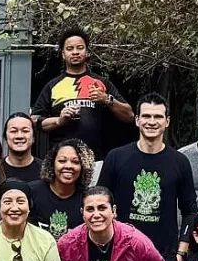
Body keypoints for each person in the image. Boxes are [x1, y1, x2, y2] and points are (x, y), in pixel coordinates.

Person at [99, 93, 197, 261]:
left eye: (158, 116)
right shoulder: (116, 158)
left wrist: (181, 253)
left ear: (167, 121)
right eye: (146, 116)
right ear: (137, 120)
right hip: (121, 255)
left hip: (164, 259)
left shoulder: (179, 162)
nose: (152, 122)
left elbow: (190, 211)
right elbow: (100, 203)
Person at [31, 28, 134, 173]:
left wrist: (107, 99)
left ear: (87, 52)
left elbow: (129, 116)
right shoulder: (53, 86)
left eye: (80, 48)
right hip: (61, 161)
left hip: (95, 160)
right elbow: (34, 121)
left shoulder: (101, 83)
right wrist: (59, 120)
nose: (75, 52)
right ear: (63, 54)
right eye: (69, 48)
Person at [30, 139, 93, 240]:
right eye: (62, 161)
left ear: (84, 167)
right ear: (52, 164)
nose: (68, 166)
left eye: (75, 162)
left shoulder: (88, 199)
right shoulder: (32, 191)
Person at [2, 112, 42, 182]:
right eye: (13, 131)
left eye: (25, 131)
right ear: (5, 137)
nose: (19, 136)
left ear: (33, 137)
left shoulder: (45, 170)